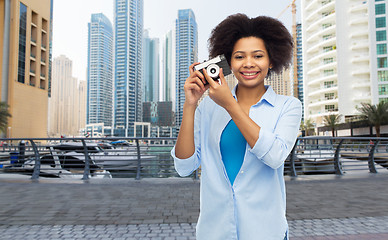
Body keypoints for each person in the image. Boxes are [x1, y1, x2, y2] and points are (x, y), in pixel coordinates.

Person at [171, 14, 302, 240]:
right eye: (239, 56)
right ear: (229, 63)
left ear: (271, 61)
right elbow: (184, 167)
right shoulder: (209, 108)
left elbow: (275, 156)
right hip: (215, 231)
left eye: (258, 56)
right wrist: (191, 105)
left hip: (265, 231)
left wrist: (230, 105)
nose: (248, 63)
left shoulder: (288, 106)